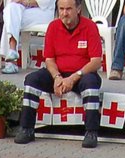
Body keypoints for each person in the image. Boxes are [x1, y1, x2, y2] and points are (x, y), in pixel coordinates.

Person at [15, 0, 102, 148]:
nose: (64, 13)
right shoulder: (53, 27)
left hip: (81, 74)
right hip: (58, 73)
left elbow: (96, 62)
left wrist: (73, 77)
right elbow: (49, 59)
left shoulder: (90, 27)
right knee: (31, 80)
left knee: (91, 84)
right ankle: (26, 128)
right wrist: (57, 77)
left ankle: (91, 132)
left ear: (78, 9)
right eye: (61, 9)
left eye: (68, 9)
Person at [0, 0, 51, 71]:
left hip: (43, 11)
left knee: (10, 17)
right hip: (24, 10)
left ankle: (11, 59)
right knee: (10, 9)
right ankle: (12, 51)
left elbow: (45, 2)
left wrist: (25, 2)